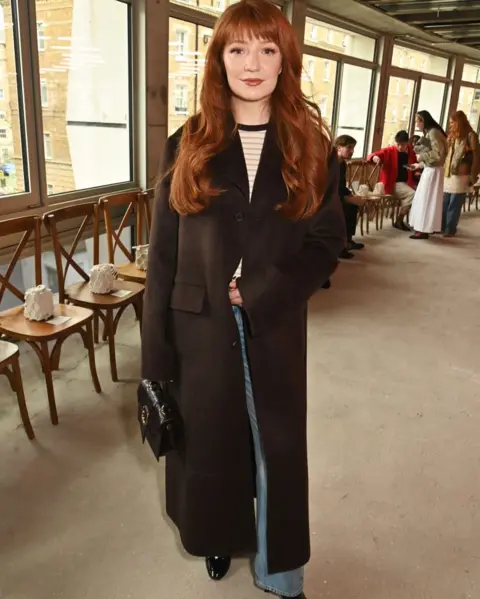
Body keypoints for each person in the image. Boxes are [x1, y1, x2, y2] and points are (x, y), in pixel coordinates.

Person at [141, 2, 346, 598]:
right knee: (210, 446)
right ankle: (216, 537)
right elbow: (163, 257)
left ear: (285, 61)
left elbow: (327, 238)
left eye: (266, 50)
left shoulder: (309, 145)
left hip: (273, 322)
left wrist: (264, 291)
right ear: (219, 60)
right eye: (237, 50)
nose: (251, 64)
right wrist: (156, 363)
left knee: (274, 448)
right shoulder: (188, 144)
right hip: (196, 324)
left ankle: (281, 572)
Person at [409, 110, 448, 239]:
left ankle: (423, 229)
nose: (416, 125)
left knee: (427, 200)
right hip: (431, 169)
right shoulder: (431, 132)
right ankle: (422, 228)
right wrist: (419, 165)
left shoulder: (433, 133)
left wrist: (421, 157)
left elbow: (438, 155)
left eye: (417, 122)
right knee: (425, 199)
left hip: (433, 171)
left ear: (423, 121)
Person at [367, 130, 417, 231]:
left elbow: (415, 164)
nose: (399, 147)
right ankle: (399, 220)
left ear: (407, 143)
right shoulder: (389, 150)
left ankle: (417, 222)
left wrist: (416, 171)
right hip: (393, 183)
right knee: (412, 194)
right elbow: (372, 155)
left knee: (421, 193)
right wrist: (375, 157)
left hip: (407, 182)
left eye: (402, 145)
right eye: (398, 144)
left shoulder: (411, 152)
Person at [442, 110, 480, 237]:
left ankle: (450, 228)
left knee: (455, 202)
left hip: (462, 175)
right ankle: (441, 225)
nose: (450, 125)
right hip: (449, 173)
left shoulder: (471, 135)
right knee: (444, 201)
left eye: (452, 123)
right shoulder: (453, 135)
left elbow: (476, 156)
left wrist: (473, 175)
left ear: (459, 122)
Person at [336, 134, 364, 259]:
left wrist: (351, 195)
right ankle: (340, 247)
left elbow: (341, 185)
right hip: (327, 197)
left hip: (337, 194)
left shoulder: (342, 164)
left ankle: (348, 240)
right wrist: (347, 198)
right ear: (339, 147)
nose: (352, 151)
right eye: (349, 148)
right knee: (345, 208)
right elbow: (329, 187)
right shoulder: (330, 163)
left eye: (353, 148)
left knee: (353, 206)